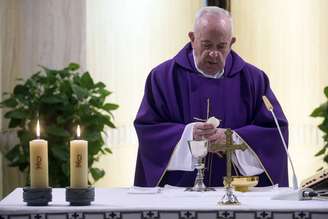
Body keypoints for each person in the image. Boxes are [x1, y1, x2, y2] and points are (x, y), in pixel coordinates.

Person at [134, 6, 288, 188]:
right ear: (192, 39)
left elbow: (275, 133)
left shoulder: (254, 79)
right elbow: (148, 131)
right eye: (206, 45)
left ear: (231, 42)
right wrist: (189, 134)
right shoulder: (163, 77)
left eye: (221, 46)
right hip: (178, 191)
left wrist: (233, 139)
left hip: (237, 192)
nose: (214, 54)